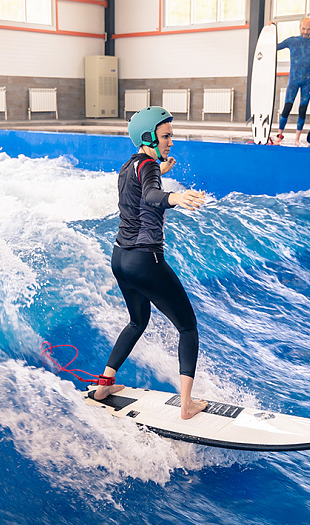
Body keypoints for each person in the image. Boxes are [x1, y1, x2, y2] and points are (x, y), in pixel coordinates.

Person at [93, 106, 208, 420]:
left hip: (121, 258)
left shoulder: (130, 165)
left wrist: (161, 172)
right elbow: (151, 195)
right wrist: (174, 197)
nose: (172, 141)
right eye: (166, 135)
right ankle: (186, 405)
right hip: (145, 260)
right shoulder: (150, 171)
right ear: (149, 137)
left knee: (137, 321)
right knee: (188, 327)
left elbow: (141, 185)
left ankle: (104, 385)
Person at [274, 17, 310, 146]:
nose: (306, 31)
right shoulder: (292, 41)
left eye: (309, 29)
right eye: (304, 28)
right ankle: (279, 135)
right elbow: (275, 47)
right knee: (287, 107)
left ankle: (297, 138)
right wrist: (271, 29)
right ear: (300, 27)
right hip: (294, 80)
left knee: (302, 109)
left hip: (308, 81)